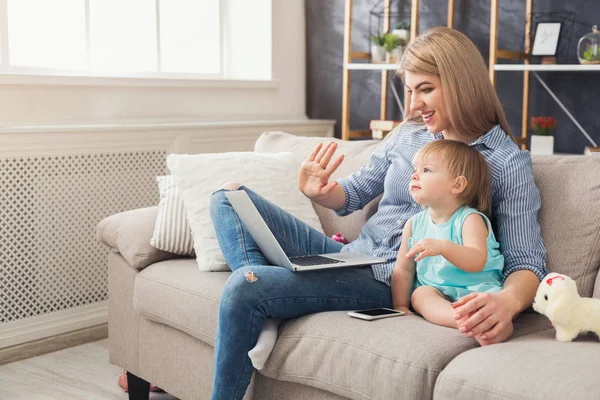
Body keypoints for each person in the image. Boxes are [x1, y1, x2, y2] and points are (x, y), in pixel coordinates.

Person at [209, 26, 547, 400]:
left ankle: (262, 307)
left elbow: (526, 261)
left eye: (426, 89)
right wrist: (321, 191)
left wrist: (508, 301)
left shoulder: (505, 163)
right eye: (410, 90)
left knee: (246, 286)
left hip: (388, 280)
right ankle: (268, 311)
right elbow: (352, 195)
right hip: (349, 256)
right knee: (227, 198)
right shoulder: (408, 134)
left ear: (461, 82)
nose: (414, 105)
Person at [391, 140, 504, 328]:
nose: (414, 176)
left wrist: (442, 247)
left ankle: (476, 319)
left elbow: (476, 260)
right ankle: (463, 320)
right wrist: (400, 305)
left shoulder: (470, 219)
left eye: (426, 170)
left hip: (477, 291)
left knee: (486, 303)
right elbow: (404, 269)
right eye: (415, 169)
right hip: (438, 293)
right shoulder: (414, 224)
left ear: (457, 185)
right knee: (420, 294)